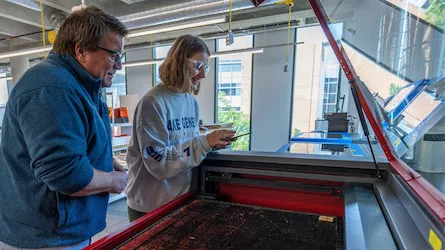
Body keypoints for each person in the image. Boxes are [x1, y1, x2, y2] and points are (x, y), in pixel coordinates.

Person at [0, 6, 128, 249]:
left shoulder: (78, 86)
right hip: (46, 238)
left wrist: (102, 162)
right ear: (80, 50)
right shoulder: (51, 87)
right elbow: (66, 175)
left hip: (61, 230)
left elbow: (75, 144)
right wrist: (112, 181)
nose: (118, 65)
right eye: (114, 55)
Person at [125, 35, 236, 221]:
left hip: (179, 199)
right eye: (198, 66)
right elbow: (159, 165)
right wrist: (204, 142)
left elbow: (183, 147)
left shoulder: (191, 102)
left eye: (205, 67)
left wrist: (209, 144)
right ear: (179, 62)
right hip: (150, 205)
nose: (203, 75)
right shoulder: (152, 102)